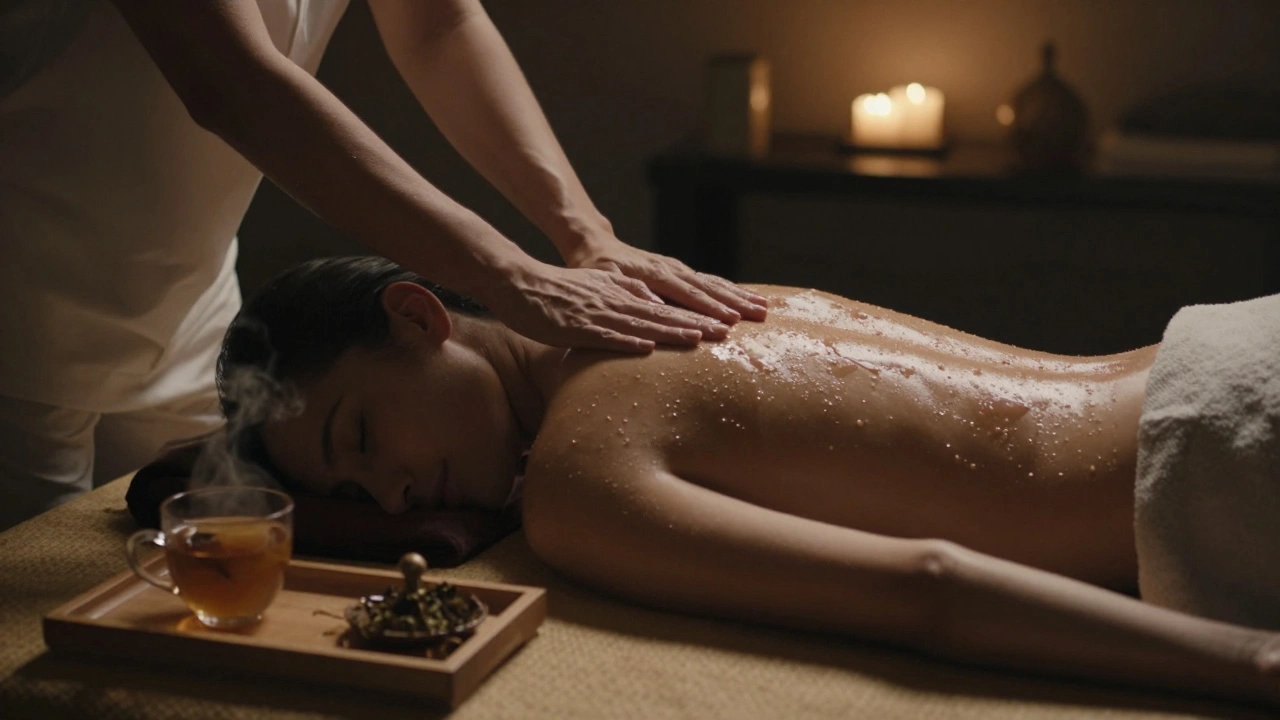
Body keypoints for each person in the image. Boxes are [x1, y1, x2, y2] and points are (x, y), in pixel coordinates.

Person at [220, 256, 1280, 709]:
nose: (396, 498)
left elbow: (928, 587)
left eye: (363, 435)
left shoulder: (577, 484)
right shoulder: (653, 288)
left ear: (419, 318)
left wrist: (1250, 662)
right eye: (354, 500)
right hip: (1223, 356)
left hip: (1220, 463)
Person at [0, 0, 765, 531]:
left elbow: (439, 24)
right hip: (17, 308)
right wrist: (509, 275)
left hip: (188, 302)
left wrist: (586, 234)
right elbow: (230, 80)